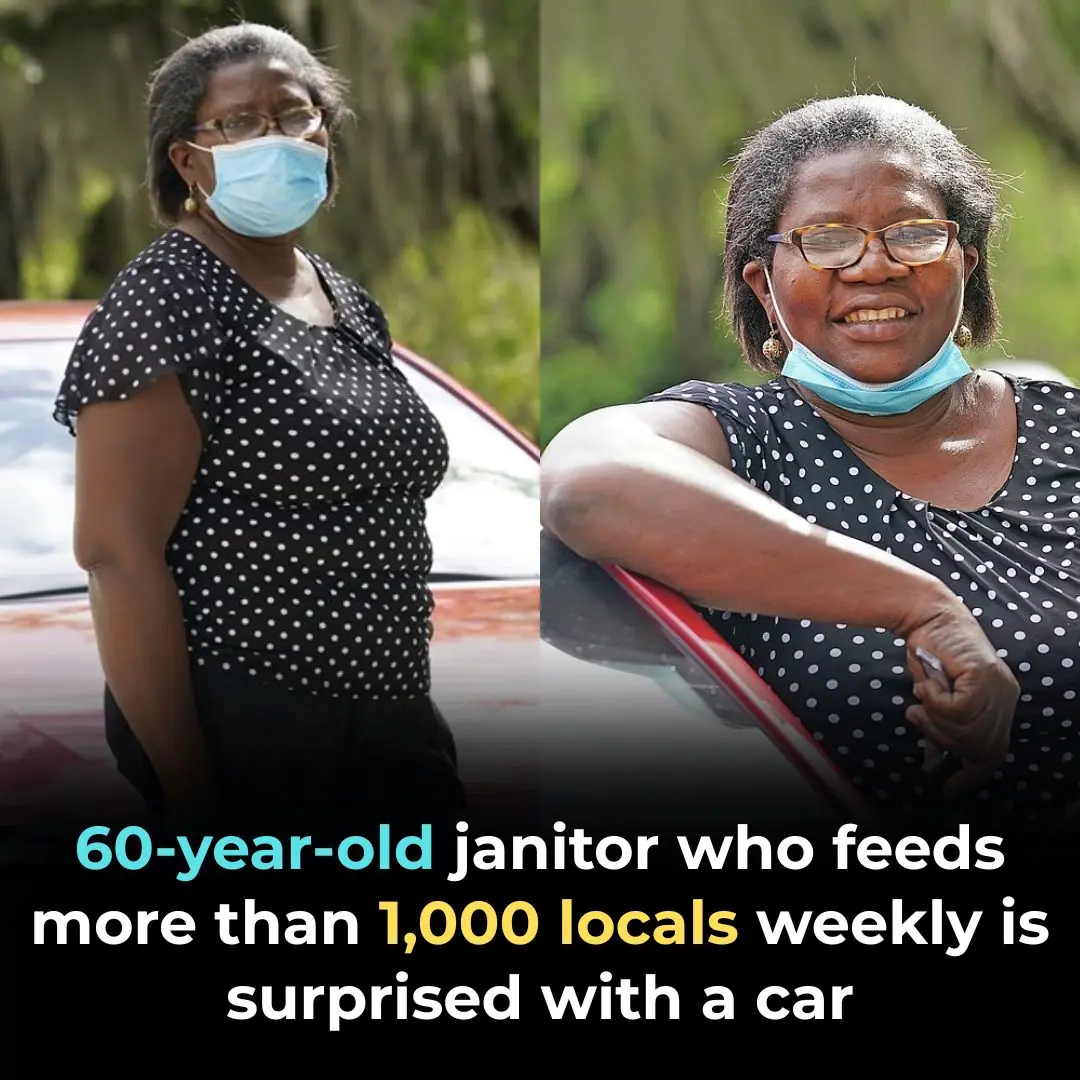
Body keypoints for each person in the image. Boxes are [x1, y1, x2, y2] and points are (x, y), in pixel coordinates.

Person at [541, 94, 1080, 833]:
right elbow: (587, 485)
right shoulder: (742, 444)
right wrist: (921, 606)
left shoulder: (1066, 431)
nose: (874, 266)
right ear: (763, 281)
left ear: (965, 261)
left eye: (914, 234)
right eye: (826, 239)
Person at [53, 22, 463, 824]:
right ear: (187, 160)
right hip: (250, 725)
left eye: (294, 113)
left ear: (327, 132)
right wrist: (195, 791)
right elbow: (114, 553)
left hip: (391, 717)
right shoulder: (167, 298)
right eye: (239, 122)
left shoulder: (344, 300)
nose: (274, 137)